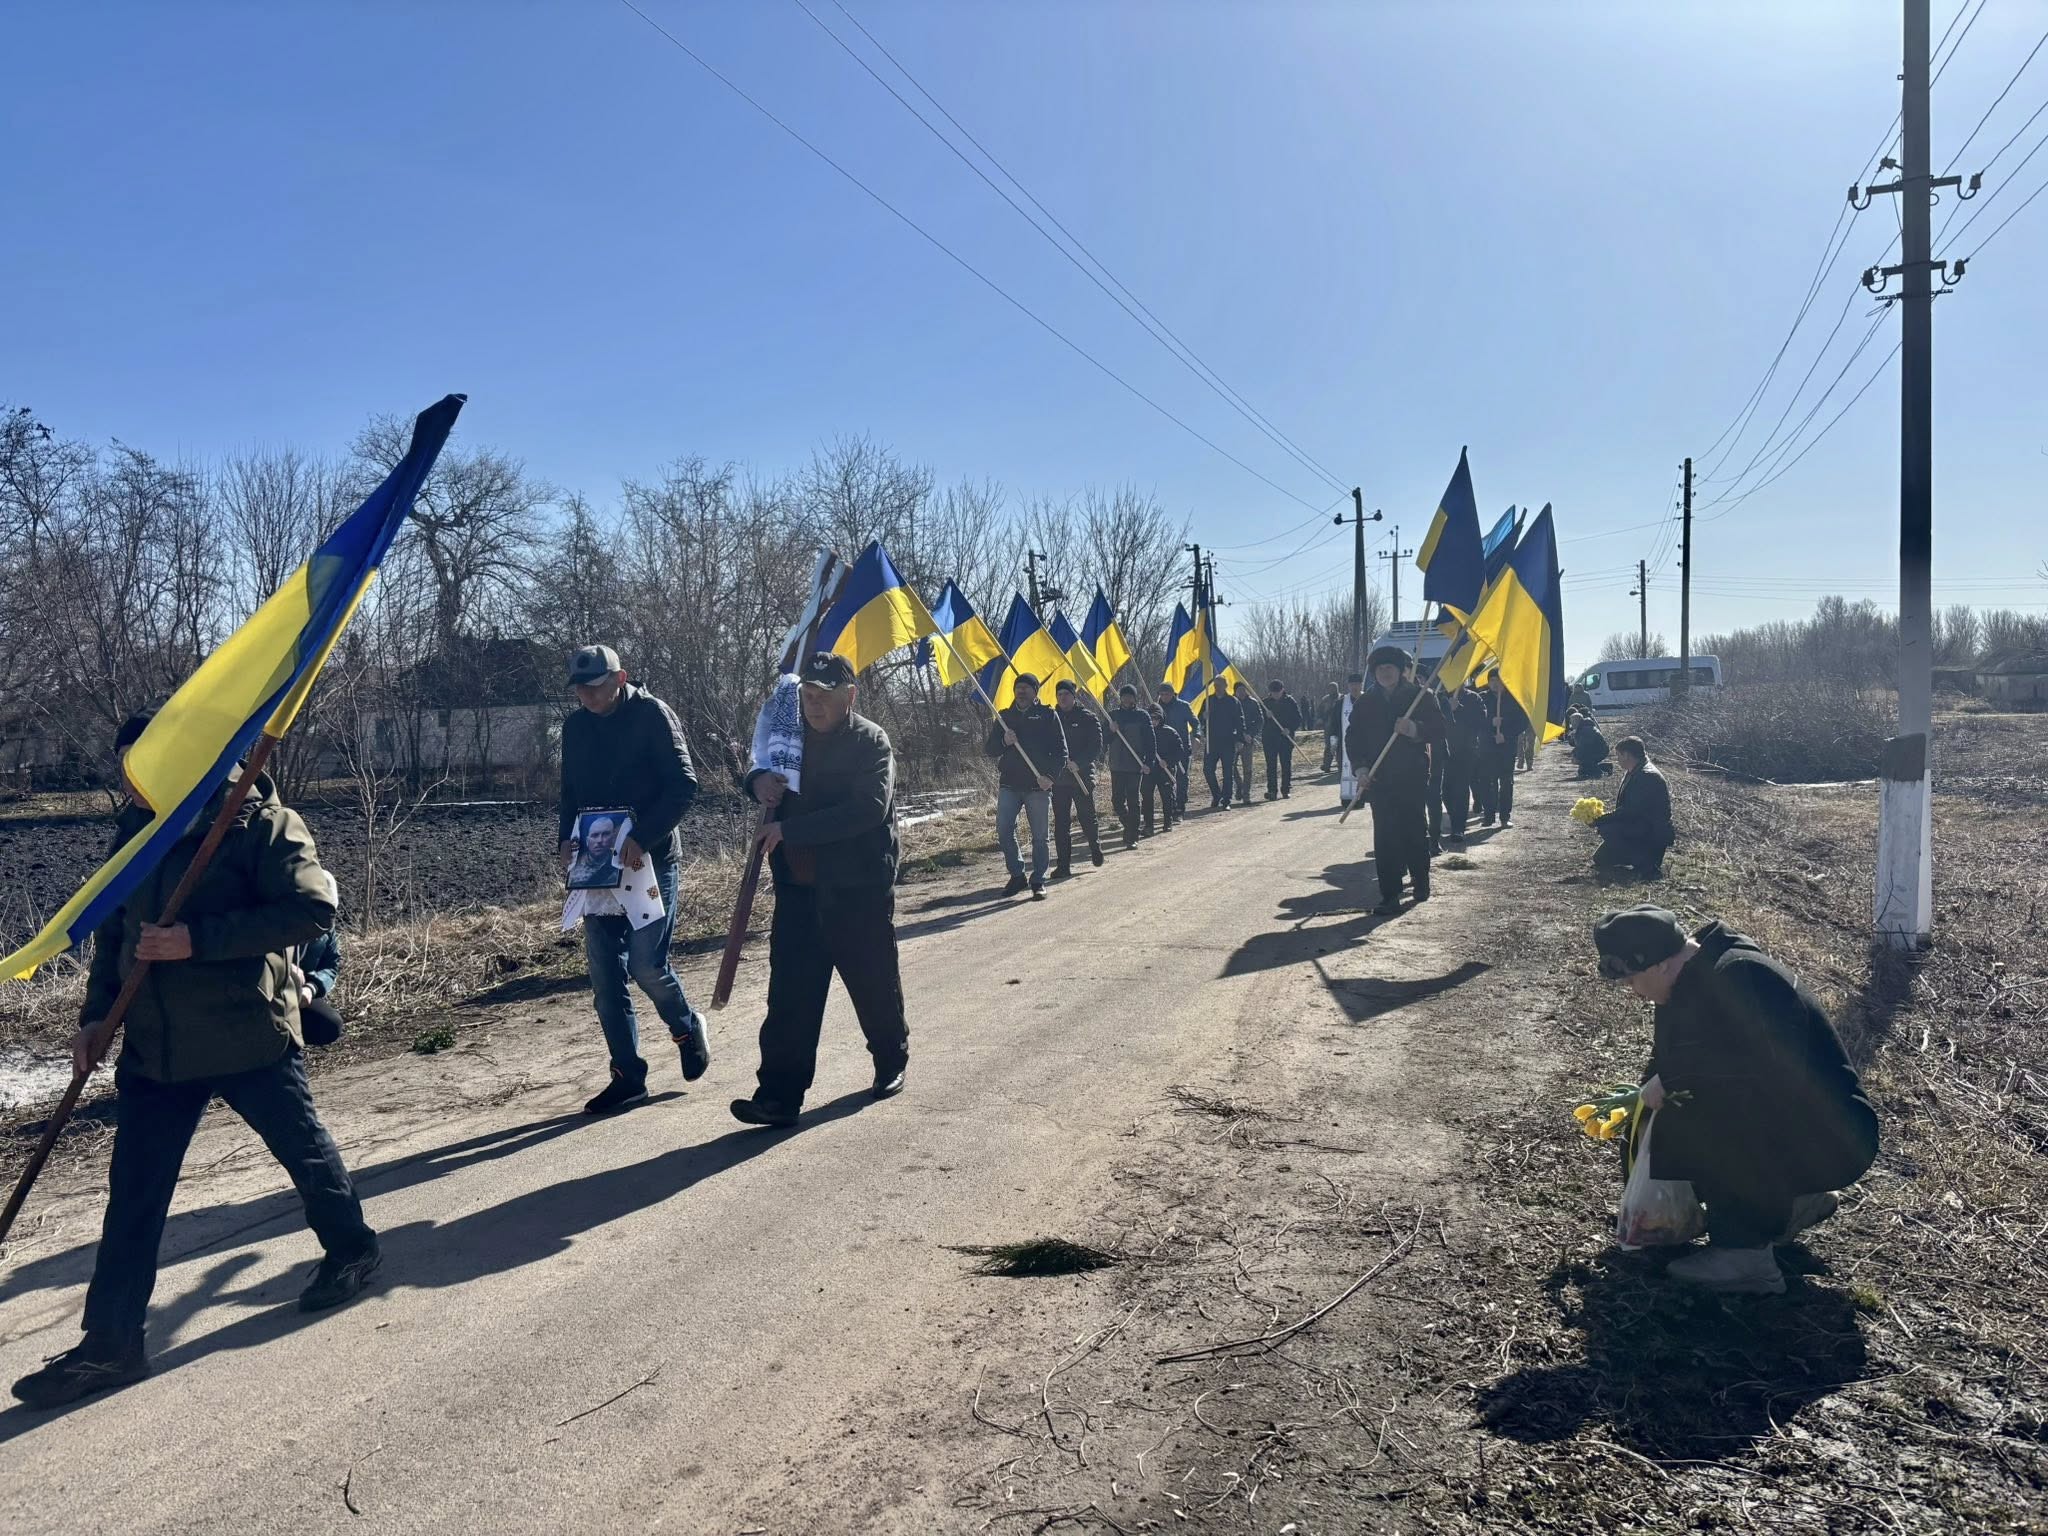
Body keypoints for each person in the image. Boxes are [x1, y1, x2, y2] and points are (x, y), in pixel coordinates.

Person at [12, 714, 377, 1411]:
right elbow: (120, 932)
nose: (129, 783)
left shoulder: (259, 823)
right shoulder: (137, 829)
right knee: (135, 1197)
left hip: (246, 1032)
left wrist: (196, 941)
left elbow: (312, 909)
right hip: (156, 1044)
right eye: (125, 772)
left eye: (138, 768)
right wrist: (96, 1019)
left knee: (303, 1153)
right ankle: (111, 1344)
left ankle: (353, 1248)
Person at [1592, 905, 1880, 1295]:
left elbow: (1768, 1068)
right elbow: (1670, 1066)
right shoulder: (1686, 987)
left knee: (1698, 1114)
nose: (1632, 992)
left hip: (1837, 1140)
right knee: (1673, 1112)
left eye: (1631, 980)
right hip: (1801, 1132)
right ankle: (1790, 1205)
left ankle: (1745, 1258)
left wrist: (1673, 1082)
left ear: (1657, 964)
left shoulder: (1745, 976)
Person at [731, 652, 909, 1128]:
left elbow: (868, 810)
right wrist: (757, 781)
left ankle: (891, 1059)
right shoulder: (789, 738)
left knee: (873, 984)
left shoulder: (871, 742)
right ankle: (779, 1097)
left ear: (849, 696)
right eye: (808, 695)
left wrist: (792, 832)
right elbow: (759, 764)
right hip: (798, 890)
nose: (814, 705)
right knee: (790, 998)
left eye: (824, 697)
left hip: (858, 888)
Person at [558, 644, 710, 1115]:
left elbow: (684, 785)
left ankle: (685, 1026)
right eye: (580, 687)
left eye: (596, 686)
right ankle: (627, 1076)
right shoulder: (575, 727)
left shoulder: (653, 716)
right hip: (597, 863)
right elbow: (569, 790)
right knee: (605, 974)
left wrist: (643, 836)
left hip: (651, 857)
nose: (587, 694)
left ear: (620, 679)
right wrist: (564, 838)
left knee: (646, 964)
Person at [1345, 646, 1448, 915]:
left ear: (1401, 670)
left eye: (1390, 668)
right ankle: (1390, 894)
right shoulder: (1366, 702)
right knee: (1385, 837)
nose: (1385, 673)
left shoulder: (1420, 697)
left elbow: (1439, 729)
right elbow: (1353, 738)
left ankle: (1421, 881)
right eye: (1380, 669)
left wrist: (1414, 729)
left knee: (1413, 830)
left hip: (1411, 776)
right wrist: (1360, 769)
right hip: (1378, 779)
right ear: (1374, 673)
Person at [985, 672, 1068, 900]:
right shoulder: (1004, 717)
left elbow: (1061, 752)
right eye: (1018, 688)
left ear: (1035, 692)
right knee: (1003, 830)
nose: (1021, 692)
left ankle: (1038, 880)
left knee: (1040, 836)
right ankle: (1017, 874)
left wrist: (1050, 777)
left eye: (1026, 688)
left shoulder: (1047, 715)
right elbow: (990, 749)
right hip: (1009, 784)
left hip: (1037, 786)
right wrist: (1004, 741)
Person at [1594, 735, 1675, 878]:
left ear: (1626, 755)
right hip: (1639, 826)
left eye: (1618, 756)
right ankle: (1636, 857)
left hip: (1650, 834)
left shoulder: (1646, 776)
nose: (1617, 760)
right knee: (1600, 859)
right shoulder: (1635, 771)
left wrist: (1600, 819)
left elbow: (1630, 811)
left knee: (1607, 829)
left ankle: (1645, 860)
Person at [1050, 679, 1105, 879]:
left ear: (1074, 696)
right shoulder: (1051, 718)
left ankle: (1095, 846)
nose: (1062, 698)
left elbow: (1096, 747)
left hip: (1082, 777)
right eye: (1059, 694)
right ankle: (1063, 865)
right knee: (1061, 823)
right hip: (1059, 779)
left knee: (1086, 816)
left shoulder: (1088, 718)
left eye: (1066, 694)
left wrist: (1079, 763)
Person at [1105, 684, 1158, 849]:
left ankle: (1132, 836)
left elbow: (1150, 741)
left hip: (1135, 765)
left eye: (1130, 696)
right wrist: (1111, 730)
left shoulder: (1142, 716)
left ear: (1135, 698)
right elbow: (1103, 740)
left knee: (1133, 800)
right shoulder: (1112, 715)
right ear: (1120, 697)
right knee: (1117, 801)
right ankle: (1130, 826)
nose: (1127, 699)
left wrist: (1149, 762)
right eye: (1124, 696)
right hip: (1117, 765)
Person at [1439, 679, 1488, 848]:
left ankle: (1458, 827)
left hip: (1465, 752)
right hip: (1443, 752)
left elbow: (1481, 722)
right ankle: (1454, 818)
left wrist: (1458, 710)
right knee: (1445, 791)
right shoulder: (1439, 697)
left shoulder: (1473, 698)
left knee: (1460, 789)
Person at [1480, 672, 1530, 829]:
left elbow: (1522, 722)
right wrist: (1490, 723)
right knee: (1488, 782)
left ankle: (1504, 816)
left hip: (1507, 748)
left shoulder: (1513, 699)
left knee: (1506, 782)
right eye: (1492, 680)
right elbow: (1475, 721)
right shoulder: (1482, 698)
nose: (1495, 683)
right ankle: (1488, 816)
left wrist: (1505, 729)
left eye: (1498, 680)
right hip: (1487, 747)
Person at [294, 926, 344, 1047]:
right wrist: (281, 968)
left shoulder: (324, 920)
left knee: (329, 1025)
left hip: (299, 994)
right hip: (261, 992)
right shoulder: (268, 911)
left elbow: (331, 964)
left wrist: (311, 988)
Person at [1154, 684, 1198, 815]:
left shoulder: (1183, 706)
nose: (1164, 697)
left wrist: (1197, 736)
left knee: (1182, 776)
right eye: (1161, 694)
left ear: (1173, 693)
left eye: (1167, 694)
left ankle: (1180, 804)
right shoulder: (1157, 708)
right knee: (1167, 779)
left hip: (1183, 747)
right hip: (1164, 750)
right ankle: (1171, 806)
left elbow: (1195, 723)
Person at [1201, 678, 1243, 811]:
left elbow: (1240, 721)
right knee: (1207, 770)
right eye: (1215, 685)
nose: (1217, 687)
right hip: (1212, 742)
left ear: (1226, 685)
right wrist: (1204, 717)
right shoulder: (1208, 701)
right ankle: (1216, 794)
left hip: (1228, 741)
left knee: (1227, 772)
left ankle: (1226, 800)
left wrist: (1239, 739)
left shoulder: (1233, 701)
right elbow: (1199, 720)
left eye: (1219, 685)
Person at [1146, 704, 1186, 836]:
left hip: (1166, 770)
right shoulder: (1144, 732)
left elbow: (1179, 751)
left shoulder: (1170, 732)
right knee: (1146, 797)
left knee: (1167, 796)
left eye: (1156, 718)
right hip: (1149, 770)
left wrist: (1168, 761)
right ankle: (1148, 825)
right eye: (1150, 718)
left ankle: (1168, 821)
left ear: (1161, 717)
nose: (1153, 721)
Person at [1261, 679, 1303, 800]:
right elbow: (1259, 721)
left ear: (1282, 690)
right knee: (1271, 765)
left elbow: (1298, 718)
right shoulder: (1264, 703)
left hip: (1286, 738)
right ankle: (1272, 790)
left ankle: (1286, 789)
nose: (1276, 695)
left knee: (1286, 764)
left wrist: (1289, 729)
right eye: (1273, 692)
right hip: (1270, 738)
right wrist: (1266, 715)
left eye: (1278, 692)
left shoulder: (1290, 701)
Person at [1329, 673, 1364, 803]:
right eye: (1352, 684)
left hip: (1364, 744)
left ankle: (1360, 798)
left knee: (1361, 770)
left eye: (1357, 684)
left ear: (1361, 685)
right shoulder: (1341, 703)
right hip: (1345, 745)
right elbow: (1334, 723)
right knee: (1344, 769)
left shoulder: (1368, 699)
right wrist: (1333, 740)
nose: (1354, 687)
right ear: (1348, 686)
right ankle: (1346, 798)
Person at [567, 814, 622, 887]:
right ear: (587, 841)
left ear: (613, 838)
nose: (600, 840)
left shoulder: (619, 863)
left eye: (605, 834)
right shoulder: (575, 866)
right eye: (595, 835)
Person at [1232, 680, 1260, 805]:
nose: (1242, 693)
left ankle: (1246, 794)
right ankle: (1239, 785)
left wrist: (1251, 734)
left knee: (1247, 768)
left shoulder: (1253, 703)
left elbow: (1260, 721)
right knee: (1231, 767)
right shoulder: (1231, 702)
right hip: (1233, 740)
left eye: (1244, 690)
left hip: (1248, 740)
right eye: (1239, 691)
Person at [1571, 715, 1613, 779]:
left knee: (1585, 764)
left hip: (1600, 751)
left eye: (1573, 721)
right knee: (1583, 770)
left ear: (1578, 721)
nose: (1572, 723)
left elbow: (1584, 747)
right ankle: (1606, 767)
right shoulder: (1582, 728)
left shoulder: (1586, 730)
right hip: (1596, 750)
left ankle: (1599, 773)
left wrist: (1576, 756)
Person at [1318, 681, 1341, 772]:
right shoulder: (1325, 700)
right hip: (1329, 726)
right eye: (1330, 688)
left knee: (1339, 747)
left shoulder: (1342, 698)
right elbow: (1320, 711)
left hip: (1339, 726)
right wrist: (1320, 719)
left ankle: (1340, 765)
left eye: (1334, 688)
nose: (1332, 690)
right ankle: (1326, 765)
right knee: (1329, 746)